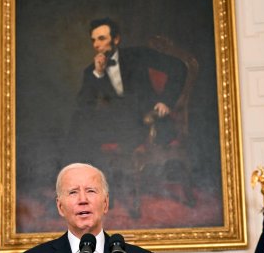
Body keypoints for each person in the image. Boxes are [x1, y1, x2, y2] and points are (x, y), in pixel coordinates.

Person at [9, 163, 167, 253]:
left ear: (105, 203)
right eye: (73, 192)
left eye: (91, 191)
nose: (83, 200)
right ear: (60, 206)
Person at [69, 17, 187, 156]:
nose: (96, 44)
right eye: (93, 40)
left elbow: (178, 67)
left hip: (148, 119)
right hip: (116, 124)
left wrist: (166, 101)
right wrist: (98, 74)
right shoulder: (91, 71)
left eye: (101, 38)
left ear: (116, 39)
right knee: (78, 127)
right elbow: (84, 104)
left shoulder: (138, 55)